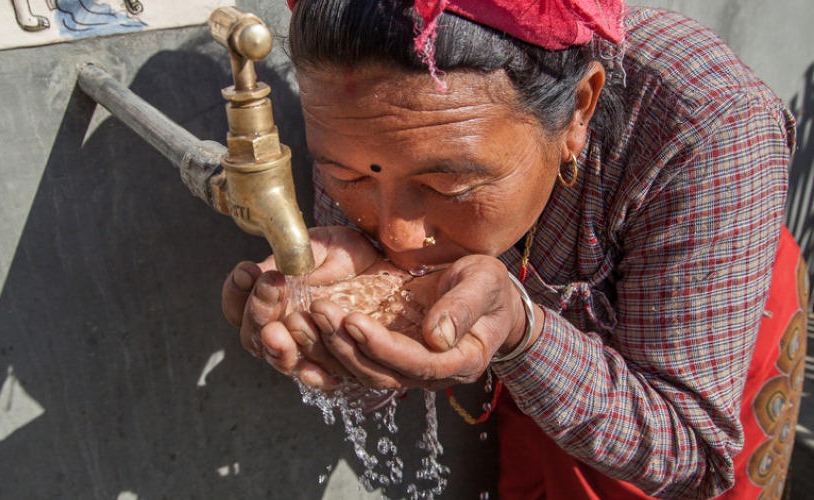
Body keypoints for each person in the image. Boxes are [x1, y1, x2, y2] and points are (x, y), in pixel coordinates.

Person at [221, 0, 809, 498]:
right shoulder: (366, 113)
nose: (395, 235)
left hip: (693, 324)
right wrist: (340, 330)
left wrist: (525, 333)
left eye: (446, 186)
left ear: (579, 111)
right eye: (348, 178)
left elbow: (692, 455)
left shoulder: (709, 124)